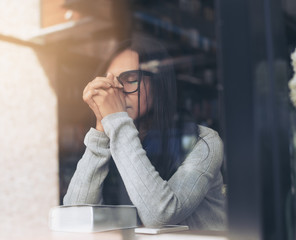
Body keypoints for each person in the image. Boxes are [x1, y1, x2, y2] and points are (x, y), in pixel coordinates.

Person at [63, 36, 226, 230]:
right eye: (110, 83)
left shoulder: (205, 142)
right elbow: (74, 216)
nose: (116, 91)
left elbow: (160, 215)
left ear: (159, 85)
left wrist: (116, 119)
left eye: (130, 80)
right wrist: (101, 132)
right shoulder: (117, 137)